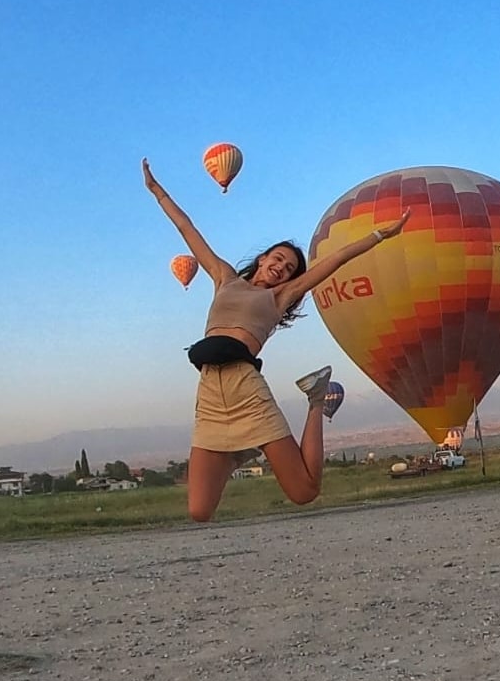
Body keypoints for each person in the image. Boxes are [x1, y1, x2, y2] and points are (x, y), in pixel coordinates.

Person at [142, 158, 410, 522]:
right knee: (199, 511)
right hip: (208, 394)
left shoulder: (278, 298)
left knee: (304, 492)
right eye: (278, 259)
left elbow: (335, 261)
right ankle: (238, 453)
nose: (281, 268)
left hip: (246, 389)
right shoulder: (225, 278)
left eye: (287, 269)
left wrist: (381, 235)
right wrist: (158, 192)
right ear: (264, 256)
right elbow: (188, 229)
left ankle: (316, 400)